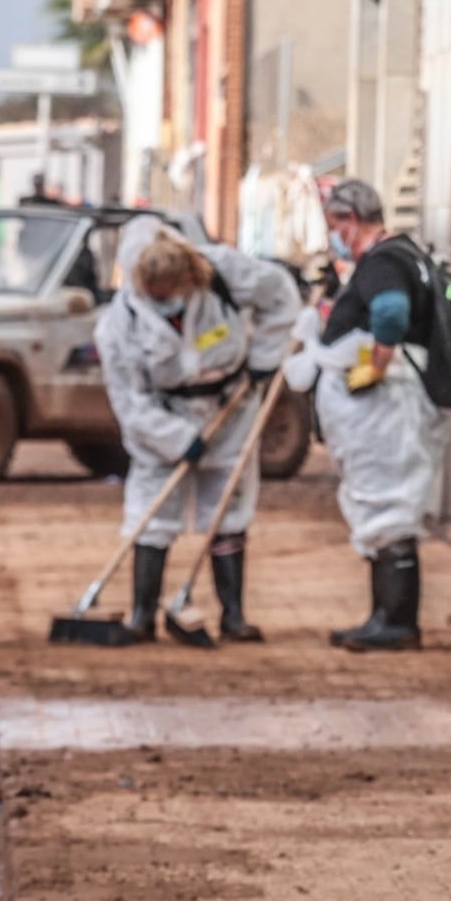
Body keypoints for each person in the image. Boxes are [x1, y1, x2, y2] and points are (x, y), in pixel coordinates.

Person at [95, 219, 300, 641]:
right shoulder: (119, 326)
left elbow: (280, 297)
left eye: (171, 294)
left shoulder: (222, 271)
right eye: (155, 296)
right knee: (151, 512)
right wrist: (174, 438)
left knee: (228, 506)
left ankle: (233, 616)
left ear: (189, 277)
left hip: (231, 405)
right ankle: (142, 615)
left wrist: (264, 359)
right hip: (163, 417)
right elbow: (129, 402)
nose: (164, 303)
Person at [284, 177, 447, 651]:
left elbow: (391, 314)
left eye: (335, 225)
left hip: (384, 410)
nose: (333, 236)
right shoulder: (402, 256)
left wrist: (374, 367)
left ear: (351, 221)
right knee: (381, 503)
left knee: (387, 504)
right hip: (388, 407)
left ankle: (396, 621)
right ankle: (384, 615)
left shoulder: (384, 261)